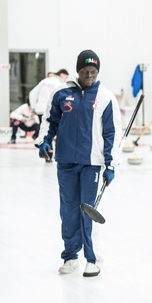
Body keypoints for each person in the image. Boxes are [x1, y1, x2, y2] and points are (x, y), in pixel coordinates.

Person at [38, 50, 119, 278]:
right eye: (85, 71)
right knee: (68, 211)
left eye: (93, 72)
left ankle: (92, 259)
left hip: (91, 163)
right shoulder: (61, 92)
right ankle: (70, 256)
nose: (90, 75)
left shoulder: (104, 97)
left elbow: (112, 132)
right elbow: (49, 120)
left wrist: (111, 164)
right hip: (65, 161)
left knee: (88, 211)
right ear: (78, 70)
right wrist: (44, 141)